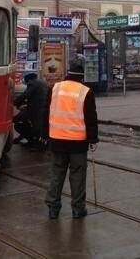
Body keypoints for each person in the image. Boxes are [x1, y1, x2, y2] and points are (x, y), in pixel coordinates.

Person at [45, 63, 98, 219]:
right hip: (77, 143)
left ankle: (53, 208)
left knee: (56, 174)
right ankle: (77, 209)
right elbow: (91, 119)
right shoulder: (86, 92)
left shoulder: (55, 88)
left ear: (67, 74)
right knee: (77, 176)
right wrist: (93, 139)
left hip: (56, 139)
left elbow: (46, 111)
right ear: (81, 77)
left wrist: (44, 134)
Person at [13, 72, 50, 149]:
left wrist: (15, 103)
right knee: (40, 128)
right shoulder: (44, 83)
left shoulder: (32, 83)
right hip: (45, 109)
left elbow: (26, 94)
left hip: (37, 110)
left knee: (31, 126)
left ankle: (37, 145)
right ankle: (38, 144)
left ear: (28, 80)